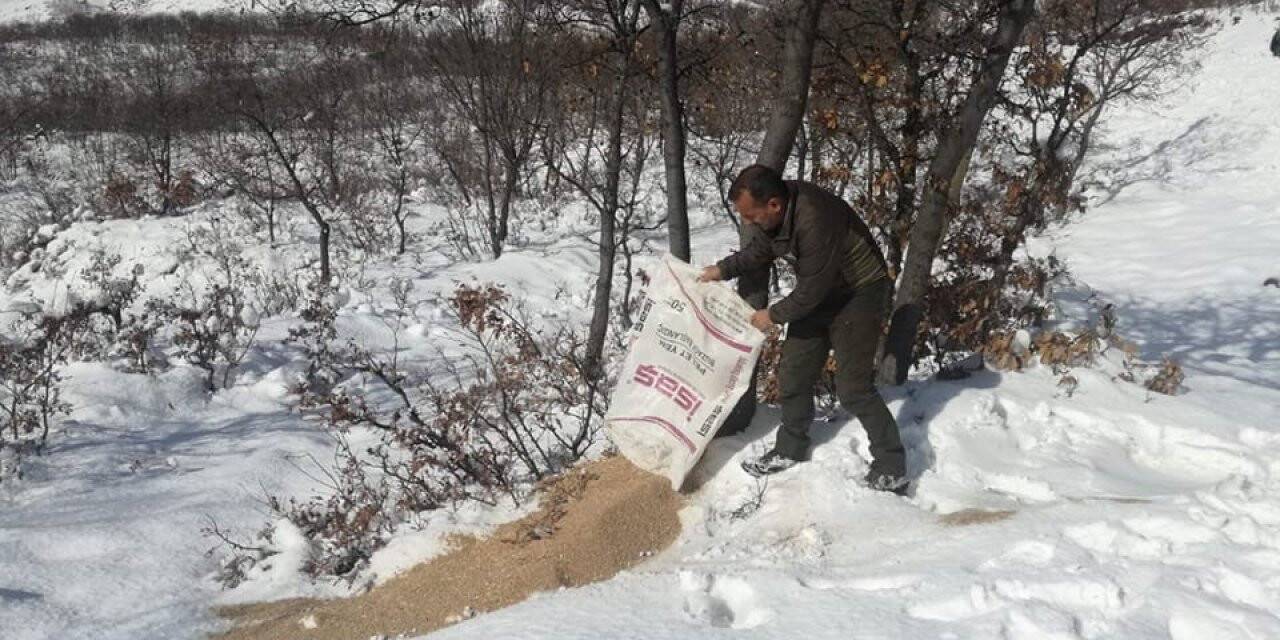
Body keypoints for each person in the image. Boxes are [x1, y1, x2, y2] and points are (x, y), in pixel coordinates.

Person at [699, 164, 908, 494]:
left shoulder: (814, 218)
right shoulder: (779, 213)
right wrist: (722, 270)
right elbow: (762, 250)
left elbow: (811, 290)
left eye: (752, 216)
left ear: (773, 205)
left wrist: (773, 315)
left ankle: (891, 465)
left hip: (859, 293)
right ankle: (790, 448)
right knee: (794, 373)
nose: (750, 223)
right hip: (821, 293)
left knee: (853, 389)